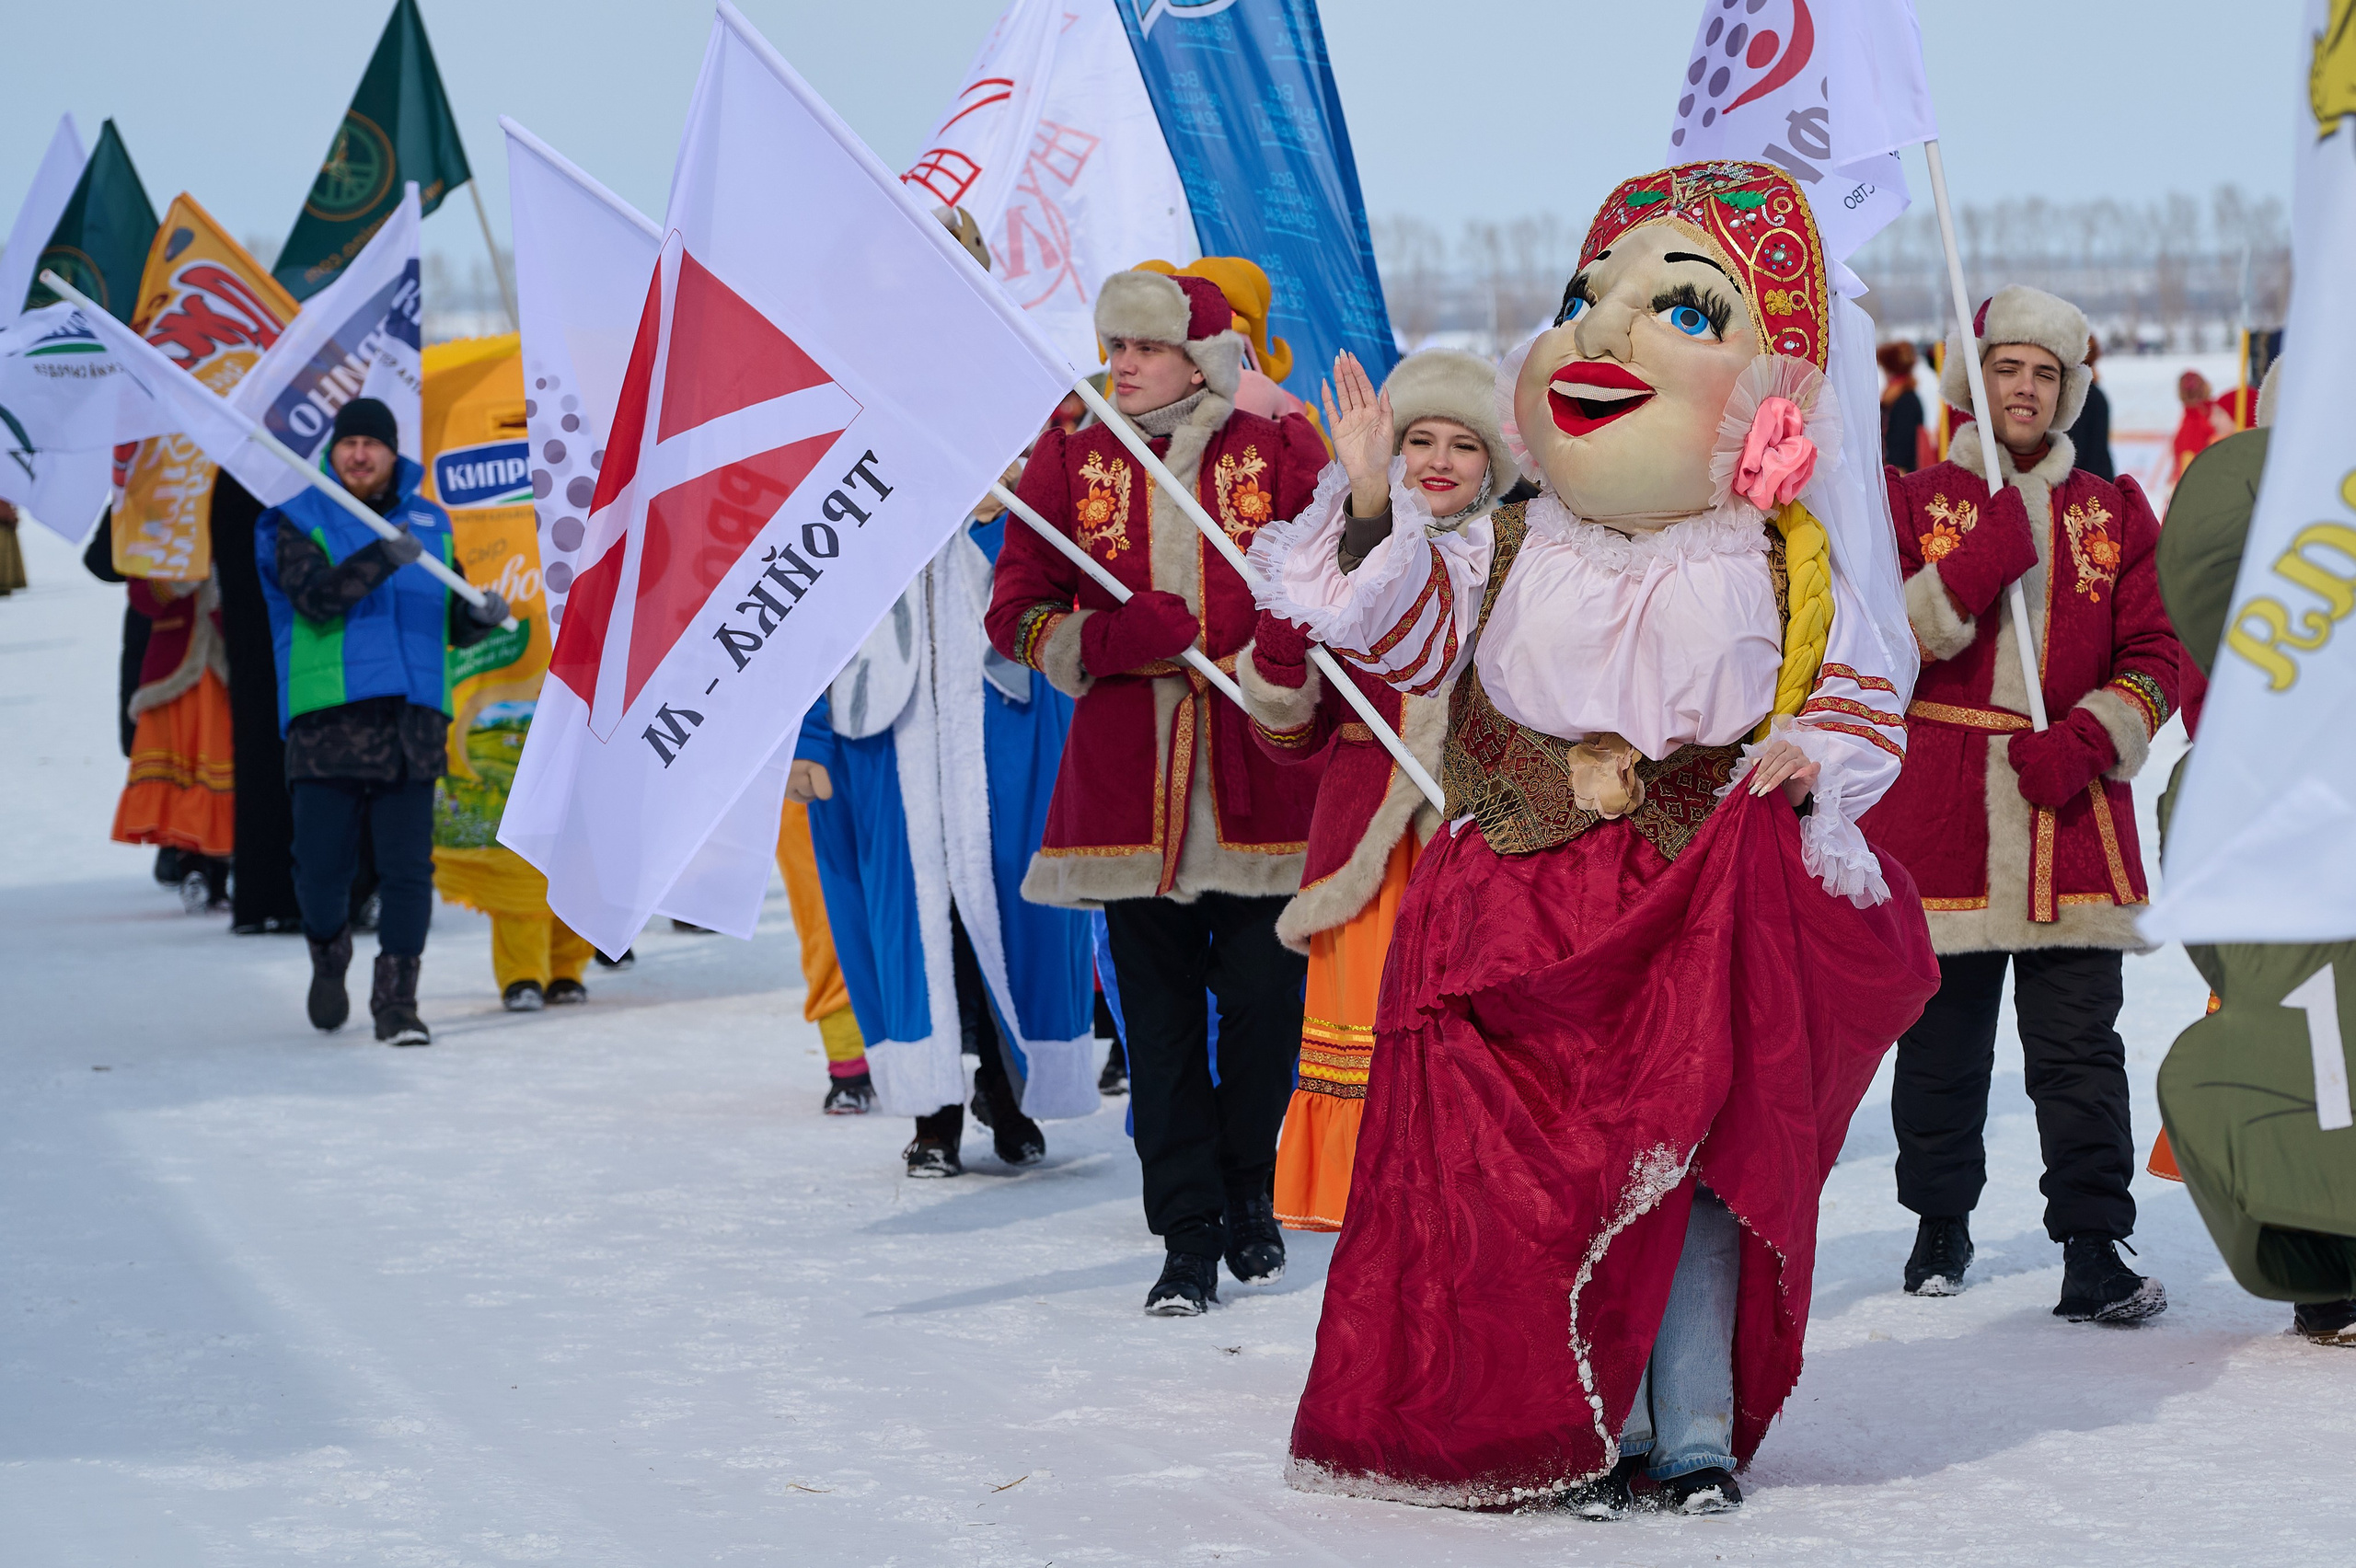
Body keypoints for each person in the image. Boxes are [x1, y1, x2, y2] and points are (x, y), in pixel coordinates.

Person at [1262, 161, 1934, 1515]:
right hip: (1511, 900)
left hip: (1692, 906)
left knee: (1680, 1167)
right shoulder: (1505, 545)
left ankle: (1683, 1431)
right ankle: (1567, 1419)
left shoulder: (1774, 555)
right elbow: (1389, 627)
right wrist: (1376, 499)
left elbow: (1859, 690)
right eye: (1587, 298)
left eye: (1682, 311)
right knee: (1521, 1188)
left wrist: (1816, 757)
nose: (1604, 332)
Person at [987, 264, 1327, 1315]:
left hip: (1261, 776)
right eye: (1113, 346)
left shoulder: (1277, 445)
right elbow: (1015, 607)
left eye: (1142, 348)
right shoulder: (1070, 448)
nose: (1121, 365)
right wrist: (1103, 640)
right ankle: (1184, 1235)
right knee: (1160, 1025)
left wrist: (1285, 642)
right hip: (1128, 782)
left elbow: (1338, 572)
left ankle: (1247, 1187)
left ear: (1203, 356)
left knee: (1268, 1010)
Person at [1863, 285, 2182, 1323]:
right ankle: (1938, 1223)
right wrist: (1972, 568)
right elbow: (1886, 648)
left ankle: (2093, 1244)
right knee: (1942, 1047)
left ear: (2069, 390)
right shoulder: (1909, 505)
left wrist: (2093, 736)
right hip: (1946, 814)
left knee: (2080, 1050)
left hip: (2072, 818)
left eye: (2047, 374)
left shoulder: (2115, 510)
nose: (2027, 389)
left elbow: (2157, 654)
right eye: (2009, 368)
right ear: (1974, 378)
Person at [791, 206, 1099, 1174]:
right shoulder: (836, 410)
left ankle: (1009, 1094)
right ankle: (933, 1109)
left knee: (1007, 898)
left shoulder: (1028, 403)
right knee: (906, 907)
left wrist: (1000, 512)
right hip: (884, 705)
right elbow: (802, 584)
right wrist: (805, 734)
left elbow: (1077, 549)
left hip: (1000, 696)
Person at [1235, 349, 1506, 1232]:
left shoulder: (1517, 553)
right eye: (1419, 437)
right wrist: (1276, 672)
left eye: (1463, 444)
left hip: (1481, 840)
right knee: (1365, 1048)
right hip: (1366, 847)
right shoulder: (1326, 558)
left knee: (1468, 1054)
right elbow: (1291, 741)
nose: (1438, 458)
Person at [2151, 376, 2356, 1347]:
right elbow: (2210, 691)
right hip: (2280, 834)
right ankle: (2324, 1270)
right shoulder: (2244, 556)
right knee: (2306, 1058)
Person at [255, 398, 509, 1045]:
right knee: (320, 868)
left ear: (395, 453)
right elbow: (313, 601)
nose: (359, 455)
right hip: (328, 720)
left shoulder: (429, 522)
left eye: (372, 444)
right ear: (331, 452)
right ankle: (328, 954)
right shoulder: (296, 517)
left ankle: (398, 1002)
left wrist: (477, 615)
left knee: (407, 870)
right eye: (349, 444)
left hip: (413, 719)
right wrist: (380, 557)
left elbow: (449, 615)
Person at [109, 572, 234, 909]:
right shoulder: (164, 529)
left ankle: (220, 870)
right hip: (173, 667)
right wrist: (179, 581)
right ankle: (191, 866)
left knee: (223, 768)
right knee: (185, 771)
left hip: (226, 662)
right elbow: (142, 597)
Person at [776, 797, 872, 1113]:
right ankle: (848, 1064)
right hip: (795, 774)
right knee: (824, 922)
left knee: (907, 915)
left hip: (892, 759)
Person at [2066, 334, 2114, 481]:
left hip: (2084, 484)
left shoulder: (2080, 396)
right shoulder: (2097, 395)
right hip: (2100, 479)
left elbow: (2078, 448)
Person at [1878, 340, 1926, 474]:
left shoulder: (1903, 399)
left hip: (1901, 472)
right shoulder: (1901, 396)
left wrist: (1898, 471)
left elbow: (1903, 441)